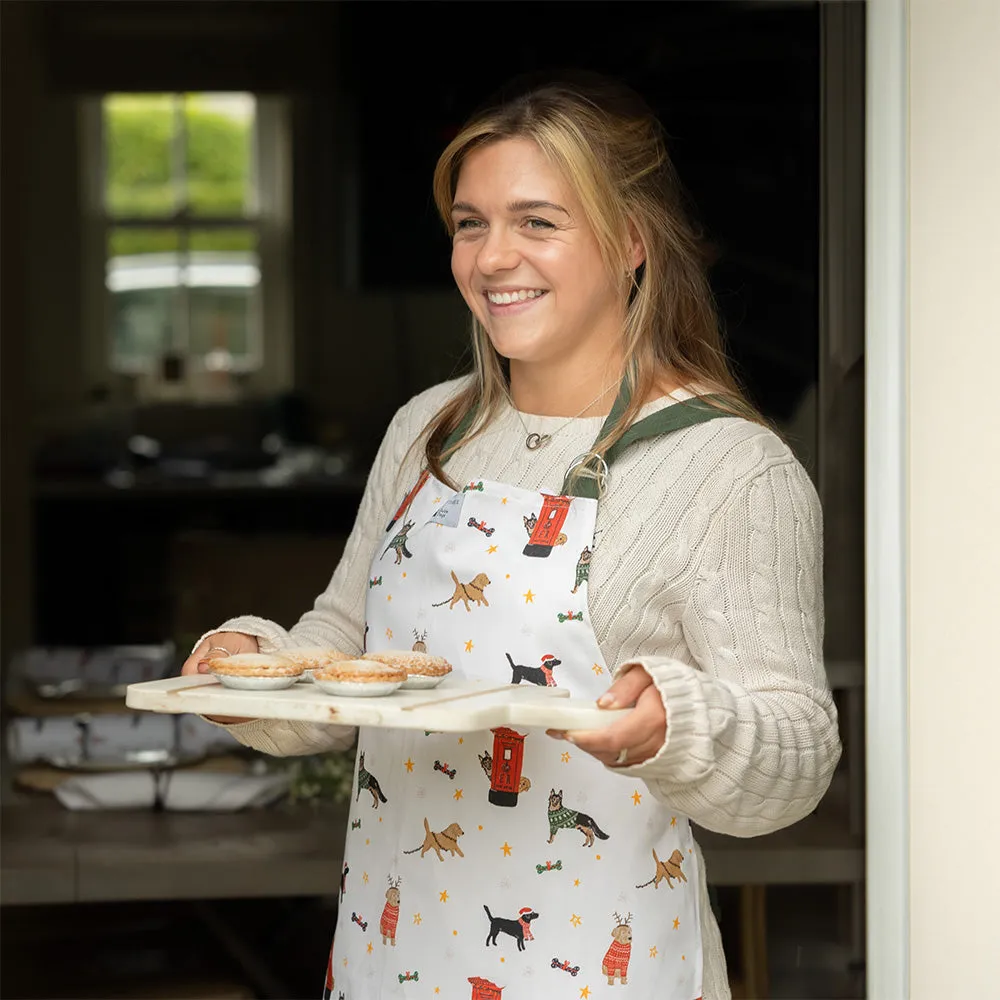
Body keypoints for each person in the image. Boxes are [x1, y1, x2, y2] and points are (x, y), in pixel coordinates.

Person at [182, 72, 841, 1000]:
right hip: (394, 954)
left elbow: (798, 758)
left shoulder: (730, 467)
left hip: (600, 970)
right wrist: (252, 670)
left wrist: (674, 724)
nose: (494, 258)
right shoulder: (426, 429)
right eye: (470, 223)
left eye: (538, 222)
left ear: (630, 240)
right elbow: (347, 648)